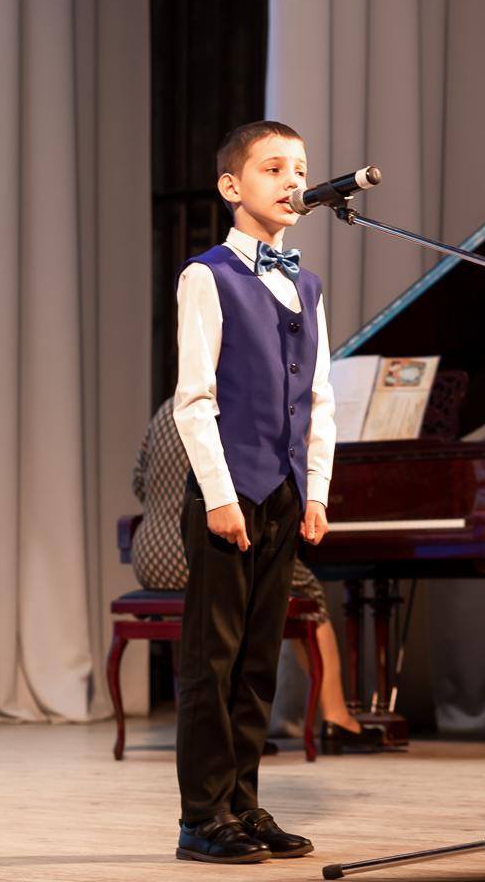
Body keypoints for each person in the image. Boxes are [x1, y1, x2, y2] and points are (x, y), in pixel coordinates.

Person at [172, 120, 340, 865]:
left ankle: (243, 803)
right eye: (273, 168)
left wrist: (316, 491)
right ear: (231, 186)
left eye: (299, 169)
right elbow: (193, 399)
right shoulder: (206, 276)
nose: (293, 181)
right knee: (214, 659)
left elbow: (320, 398)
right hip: (228, 489)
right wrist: (217, 495)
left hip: (283, 493)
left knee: (258, 661)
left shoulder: (306, 284)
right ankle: (202, 816)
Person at [130, 395, 379, 751]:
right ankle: (336, 717)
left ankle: (216, 723)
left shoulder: (164, 413)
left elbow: (139, 481)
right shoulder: (234, 407)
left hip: (152, 553)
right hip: (209, 536)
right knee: (307, 593)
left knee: (219, 606)